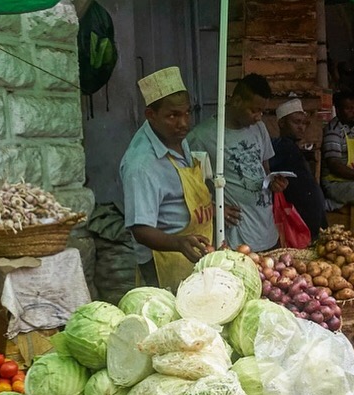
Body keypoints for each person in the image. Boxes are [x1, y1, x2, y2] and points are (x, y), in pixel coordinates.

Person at [119, 66, 213, 291]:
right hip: (164, 259)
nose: (184, 123)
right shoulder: (142, 165)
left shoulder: (174, 136)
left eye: (187, 113)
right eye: (173, 115)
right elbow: (140, 230)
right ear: (151, 115)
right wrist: (178, 243)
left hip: (192, 247)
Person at [188, 73, 287, 252]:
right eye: (254, 110)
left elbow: (265, 169)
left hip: (267, 231)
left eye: (262, 111)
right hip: (237, 238)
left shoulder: (259, 128)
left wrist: (274, 182)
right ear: (237, 101)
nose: (258, 117)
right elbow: (189, 186)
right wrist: (214, 208)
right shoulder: (202, 136)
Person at [270, 99, 327, 240]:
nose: (301, 127)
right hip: (299, 218)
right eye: (296, 122)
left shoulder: (293, 148)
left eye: (303, 123)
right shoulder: (281, 146)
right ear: (282, 123)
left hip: (308, 216)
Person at [321, 91, 354, 208]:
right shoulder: (333, 131)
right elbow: (334, 165)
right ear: (338, 110)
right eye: (349, 109)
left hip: (351, 181)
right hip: (335, 184)